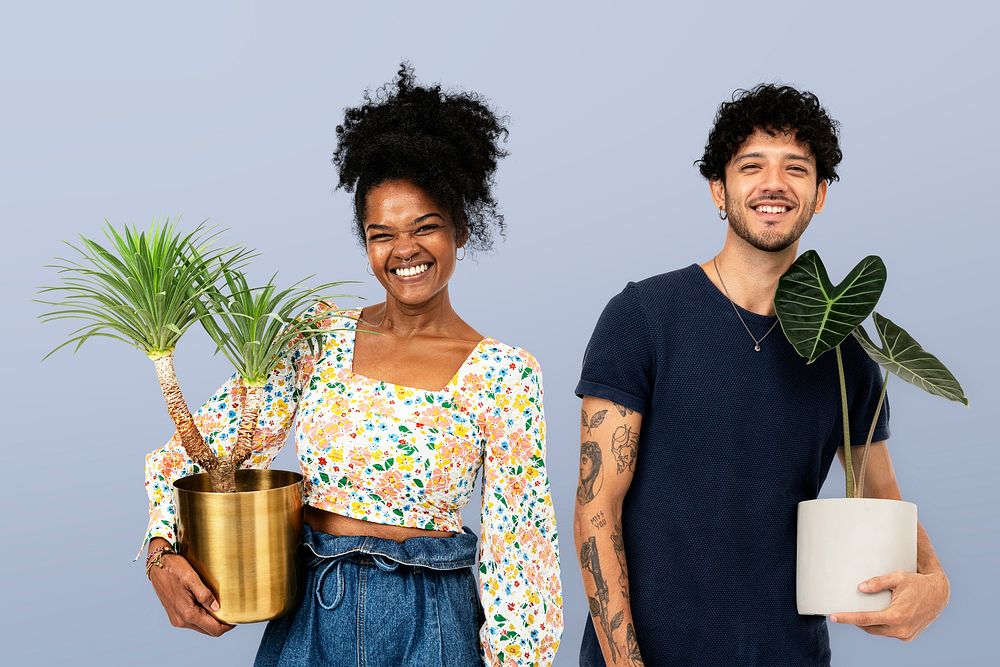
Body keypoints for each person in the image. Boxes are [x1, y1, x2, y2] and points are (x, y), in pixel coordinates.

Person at [143, 64, 563, 667]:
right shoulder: (318, 337)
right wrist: (162, 549)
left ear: (461, 230)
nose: (405, 251)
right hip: (314, 614)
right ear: (365, 244)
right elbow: (207, 445)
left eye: (426, 227)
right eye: (381, 233)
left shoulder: (504, 373)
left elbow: (521, 546)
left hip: (434, 628)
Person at [572, 84, 950, 666]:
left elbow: (882, 496)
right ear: (718, 190)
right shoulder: (643, 316)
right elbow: (597, 510)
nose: (774, 183)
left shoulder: (846, 355)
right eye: (752, 166)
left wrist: (935, 581)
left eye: (796, 168)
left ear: (819, 194)